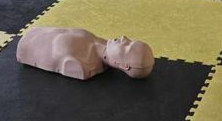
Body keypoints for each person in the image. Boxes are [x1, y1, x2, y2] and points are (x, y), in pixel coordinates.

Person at [16, 27, 155, 81]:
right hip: (35, 33)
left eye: (127, 47)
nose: (124, 37)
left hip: (26, 46)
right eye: (130, 41)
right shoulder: (100, 43)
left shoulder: (83, 65)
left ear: (124, 65)